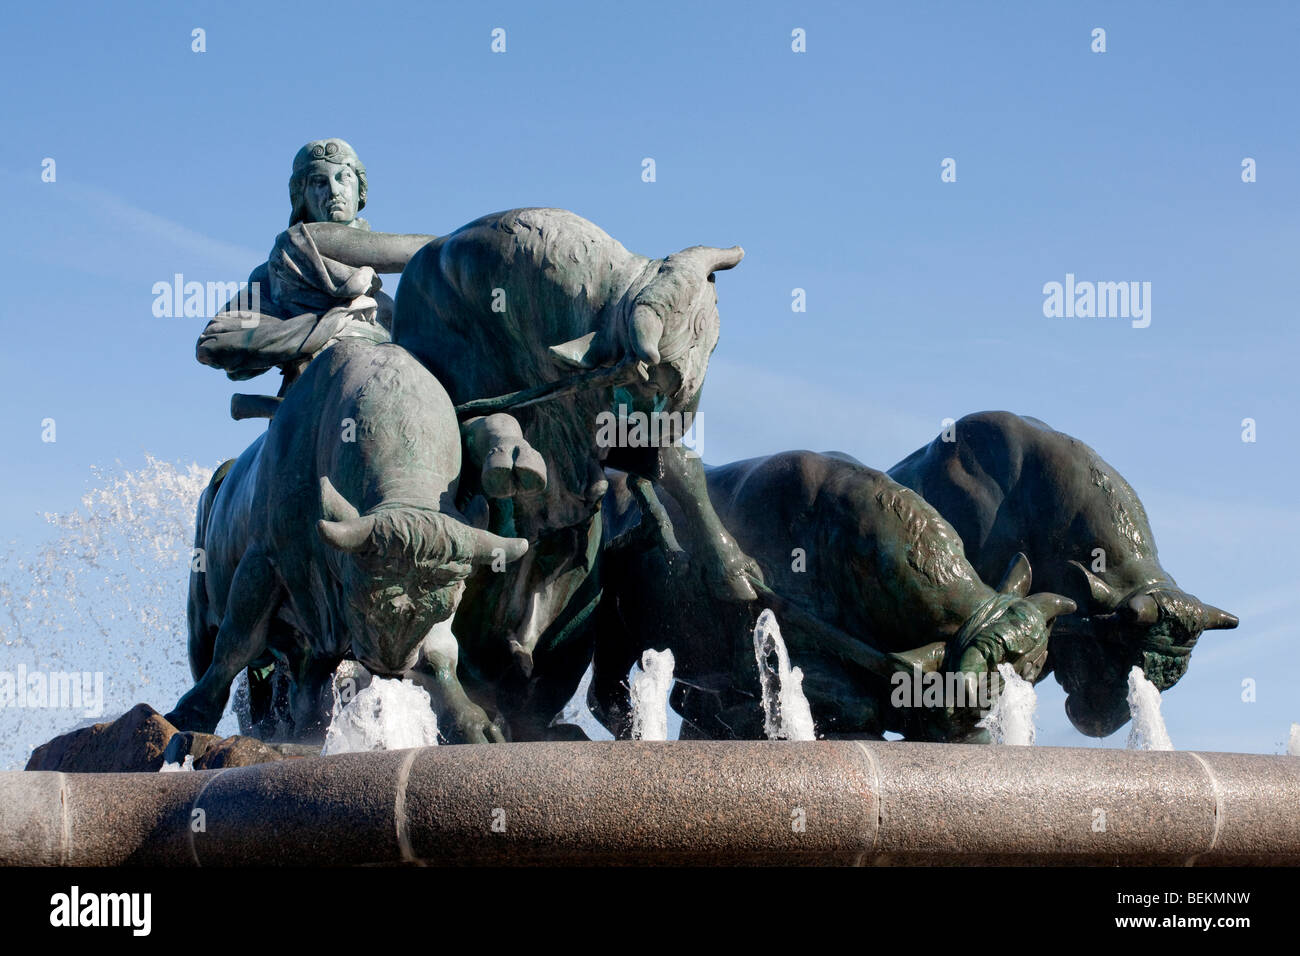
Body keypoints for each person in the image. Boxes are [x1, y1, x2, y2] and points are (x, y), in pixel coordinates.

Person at [196, 138, 435, 408]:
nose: (334, 191)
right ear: (301, 196)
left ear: (360, 189)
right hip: (314, 401)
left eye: (343, 177)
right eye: (319, 182)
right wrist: (330, 323)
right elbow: (214, 343)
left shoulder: (386, 302)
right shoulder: (286, 259)